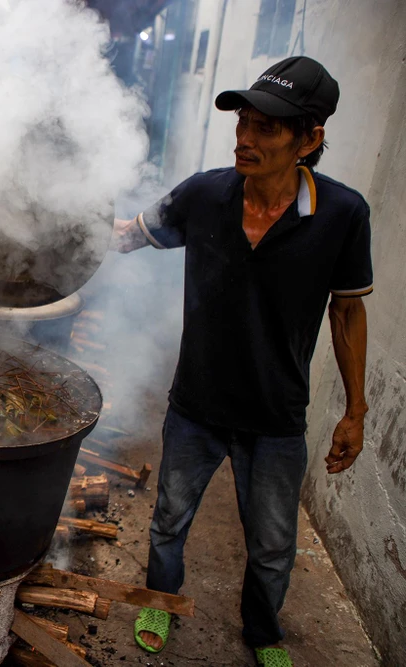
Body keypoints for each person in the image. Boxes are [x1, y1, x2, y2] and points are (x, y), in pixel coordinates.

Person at [111, 56, 371, 667]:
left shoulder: (342, 214)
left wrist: (356, 411)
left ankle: (263, 634)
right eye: (243, 123)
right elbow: (128, 234)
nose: (245, 140)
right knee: (169, 520)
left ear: (311, 138)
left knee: (274, 545)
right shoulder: (205, 193)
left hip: (275, 416)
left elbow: (348, 313)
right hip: (196, 404)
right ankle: (161, 601)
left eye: (266, 129)